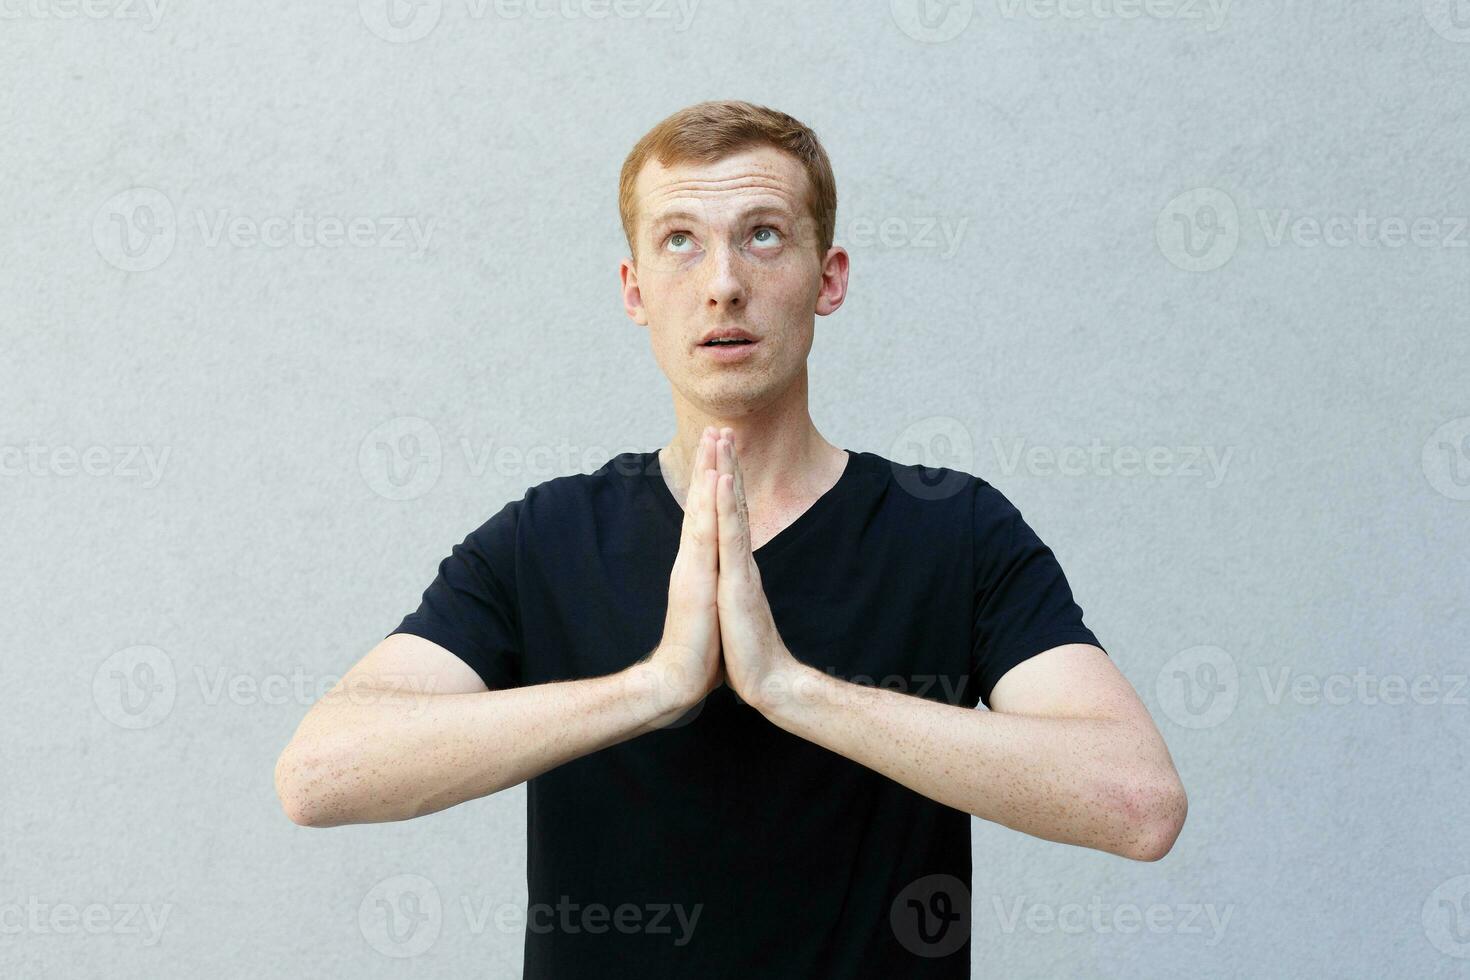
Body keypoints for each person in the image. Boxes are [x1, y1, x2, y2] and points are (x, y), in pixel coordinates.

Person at [274, 99, 1187, 978]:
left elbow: (1139, 804)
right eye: (679, 241)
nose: (721, 283)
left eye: (763, 234)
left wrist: (789, 690)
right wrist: (654, 686)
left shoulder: (954, 530)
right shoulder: (546, 538)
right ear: (635, 290)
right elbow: (320, 774)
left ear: (828, 277)